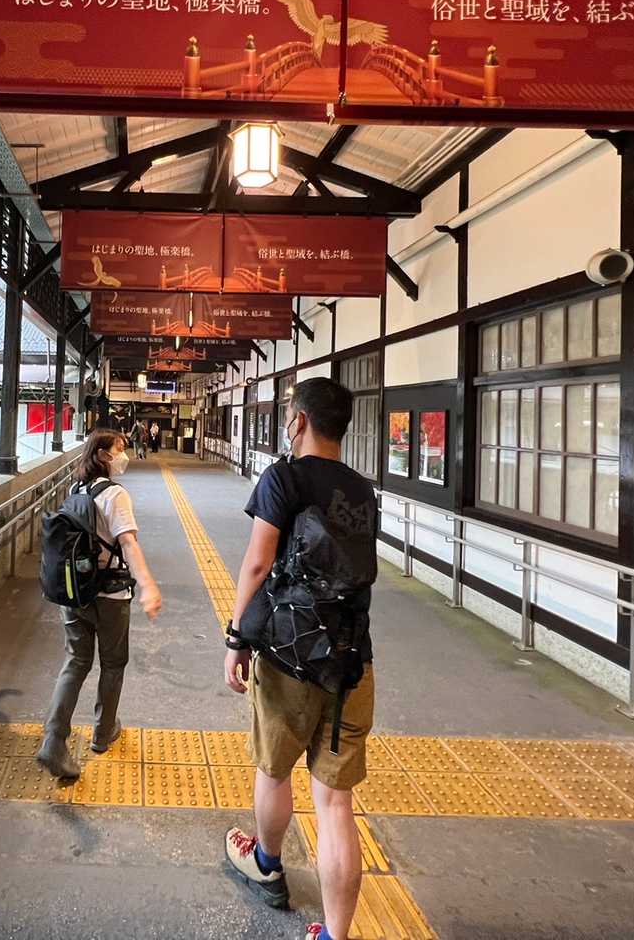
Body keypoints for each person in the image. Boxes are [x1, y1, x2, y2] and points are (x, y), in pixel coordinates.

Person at [221, 378, 378, 940]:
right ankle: (334, 935)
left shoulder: (283, 477)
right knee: (336, 804)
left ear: (300, 420)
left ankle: (266, 864)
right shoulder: (362, 489)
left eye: (290, 413)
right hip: (351, 659)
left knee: (274, 769)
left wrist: (236, 637)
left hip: (289, 653)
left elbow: (257, 564)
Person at [36, 428, 163, 779]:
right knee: (113, 663)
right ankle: (103, 733)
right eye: (119, 448)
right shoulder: (115, 495)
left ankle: (53, 740)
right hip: (110, 596)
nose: (124, 455)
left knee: (76, 662)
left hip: (74, 593)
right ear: (104, 455)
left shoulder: (75, 490)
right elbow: (129, 544)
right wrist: (148, 585)